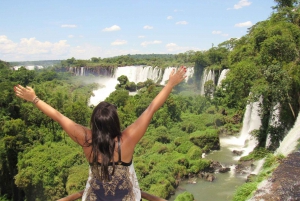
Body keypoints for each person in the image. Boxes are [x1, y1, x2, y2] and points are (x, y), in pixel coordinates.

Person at [14, 66, 187, 201]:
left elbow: (59, 117)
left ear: (94, 123)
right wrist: (171, 83)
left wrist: (34, 99)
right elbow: (151, 108)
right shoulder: (127, 140)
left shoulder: (86, 139)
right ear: (115, 122)